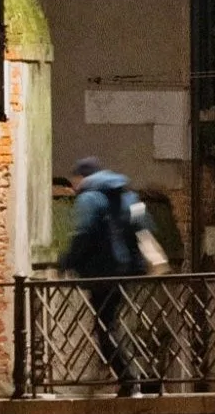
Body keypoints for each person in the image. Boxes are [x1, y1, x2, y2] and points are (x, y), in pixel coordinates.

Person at [57, 157, 155, 394]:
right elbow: (145, 225)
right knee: (112, 324)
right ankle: (132, 377)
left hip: (101, 272)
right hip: (126, 271)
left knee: (105, 328)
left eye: (74, 181)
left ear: (82, 177)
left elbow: (84, 232)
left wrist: (67, 261)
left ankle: (129, 379)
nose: (73, 186)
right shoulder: (126, 195)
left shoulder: (89, 197)